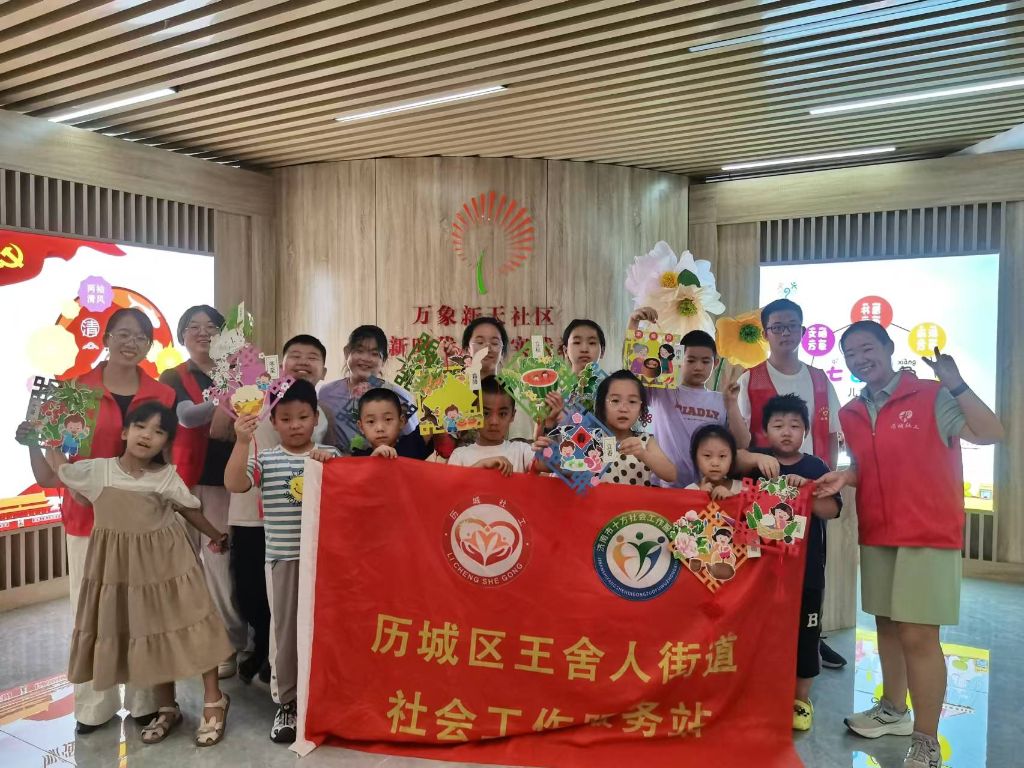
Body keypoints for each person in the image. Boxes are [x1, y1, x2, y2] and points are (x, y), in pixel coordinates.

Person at [815, 321, 1003, 768]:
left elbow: (990, 431)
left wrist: (956, 383)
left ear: (888, 347)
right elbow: (873, 465)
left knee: (918, 635)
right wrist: (847, 475)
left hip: (927, 532)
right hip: (878, 531)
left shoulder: (932, 394)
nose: (860, 359)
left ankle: (926, 739)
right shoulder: (852, 412)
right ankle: (893, 711)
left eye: (867, 348)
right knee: (886, 625)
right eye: (850, 354)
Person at [19, 403, 233, 747]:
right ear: (125, 432)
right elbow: (49, 477)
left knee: (196, 626)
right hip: (127, 573)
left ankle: (214, 700)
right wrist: (34, 442)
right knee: (150, 632)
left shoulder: (165, 476)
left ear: (166, 443)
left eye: (159, 431)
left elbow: (189, 509)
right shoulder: (98, 471)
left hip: (172, 566)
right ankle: (167, 706)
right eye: (141, 426)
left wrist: (217, 536)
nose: (147, 435)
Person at [23, 308, 176, 734]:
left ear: (149, 346)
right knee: (90, 614)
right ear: (106, 339)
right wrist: (67, 477)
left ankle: (144, 700)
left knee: (141, 612)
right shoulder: (75, 390)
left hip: (142, 521)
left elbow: (166, 457)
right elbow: (55, 454)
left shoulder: (162, 394)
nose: (131, 343)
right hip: (87, 519)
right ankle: (94, 707)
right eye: (123, 334)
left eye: (141, 337)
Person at [225, 379, 338, 744]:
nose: (295, 425)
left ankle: (324, 699)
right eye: (286, 418)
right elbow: (235, 484)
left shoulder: (331, 455)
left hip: (326, 563)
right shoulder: (267, 459)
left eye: (303, 417)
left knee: (327, 632)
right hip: (284, 561)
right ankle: (287, 702)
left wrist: (333, 467)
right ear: (273, 422)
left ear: (316, 418)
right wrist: (242, 441)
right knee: (285, 633)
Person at [736, 298, 846, 671]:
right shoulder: (750, 378)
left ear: (803, 330)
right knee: (764, 568)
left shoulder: (820, 379)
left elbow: (831, 435)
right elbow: (740, 439)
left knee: (810, 568)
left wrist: (826, 482)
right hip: (764, 491)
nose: (785, 333)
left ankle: (813, 641)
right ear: (765, 333)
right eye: (777, 327)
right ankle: (764, 651)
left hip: (809, 487)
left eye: (792, 326)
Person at [226, 334, 331, 684]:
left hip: (302, 525)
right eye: (295, 355)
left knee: (301, 601)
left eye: (312, 357)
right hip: (252, 515)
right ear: (279, 364)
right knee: (254, 592)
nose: (303, 362)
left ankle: (292, 665)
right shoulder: (253, 399)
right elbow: (235, 469)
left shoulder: (323, 415)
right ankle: (266, 653)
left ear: (324, 369)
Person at [737, 394, 842, 732]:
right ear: (765, 430)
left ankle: (801, 699)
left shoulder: (816, 467)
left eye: (795, 426)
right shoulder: (758, 461)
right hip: (759, 571)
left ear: (806, 431)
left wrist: (808, 493)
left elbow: (833, 510)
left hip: (806, 572)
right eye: (778, 425)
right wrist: (754, 456)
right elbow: (731, 458)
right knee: (759, 632)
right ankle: (759, 692)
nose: (786, 432)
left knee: (806, 636)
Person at [160, 304, 247, 679]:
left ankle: (227, 643)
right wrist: (225, 397)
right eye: (193, 327)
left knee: (219, 564)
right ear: (182, 336)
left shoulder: (241, 373)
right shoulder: (173, 376)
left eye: (211, 327)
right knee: (182, 565)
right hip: (182, 479)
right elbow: (186, 417)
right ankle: (188, 640)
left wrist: (232, 389)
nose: (203, 333)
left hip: (222, 481)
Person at [629, 308, 750, 487]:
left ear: (715, 363)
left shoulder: (723, 400)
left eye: (705, 361)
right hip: (662, 487)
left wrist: (732, 404)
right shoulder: (663, 391)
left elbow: (742, 443)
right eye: (691, 360)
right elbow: (634, 371)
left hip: (706, 490)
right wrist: (634, 323)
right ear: (678, 359)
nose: (698, 367)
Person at [318, 325, 425, 456]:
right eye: (359, 351)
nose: (365, 358)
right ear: (346, 352)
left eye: (374, 354)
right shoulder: (326, 393)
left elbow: (413, 444)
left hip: (386, 462)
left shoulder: (399, 396)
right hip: (340, 465)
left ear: (383, 360)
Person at [564, 369, 676, 486]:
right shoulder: (589, 439)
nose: (624, 409)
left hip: (636, 499)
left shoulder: (646, 441)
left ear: (641, 409)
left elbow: (671, 475)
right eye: (615, 400)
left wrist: (643, 454)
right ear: (602, 406)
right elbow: (564, 468)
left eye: (632, 401)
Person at [463, 316, 537, 440]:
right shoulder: (457, 389)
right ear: (467, 350)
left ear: (502, 352)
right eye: (480, 342)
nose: (487, 348)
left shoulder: (517, 392)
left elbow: (522, 441)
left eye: (495, 343)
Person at [448, 376, 535, 475]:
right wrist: (481, 465)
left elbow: (543, 465)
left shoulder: (521, 451)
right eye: (486, 413)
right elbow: (452, 484)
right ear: (473, 414)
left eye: (502, 414)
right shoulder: (459, 455)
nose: (494, 422)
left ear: (512, 415)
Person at [351, 387, 432, 459]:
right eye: (371, 421)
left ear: (401, 421)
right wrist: (373, 461)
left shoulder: (412, 445)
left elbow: (432, 417)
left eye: (388, 419)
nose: (380, 428)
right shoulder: (357, 459)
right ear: (361, 427)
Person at [685, 423, 744, 497]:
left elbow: (752, 504)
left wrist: (732, 498)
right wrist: (699, 496)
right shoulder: (689, 491)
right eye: (707, 455)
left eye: (722, 456)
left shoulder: (742, 488)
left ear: (732, 458)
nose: (715, 463)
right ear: (695, 458)